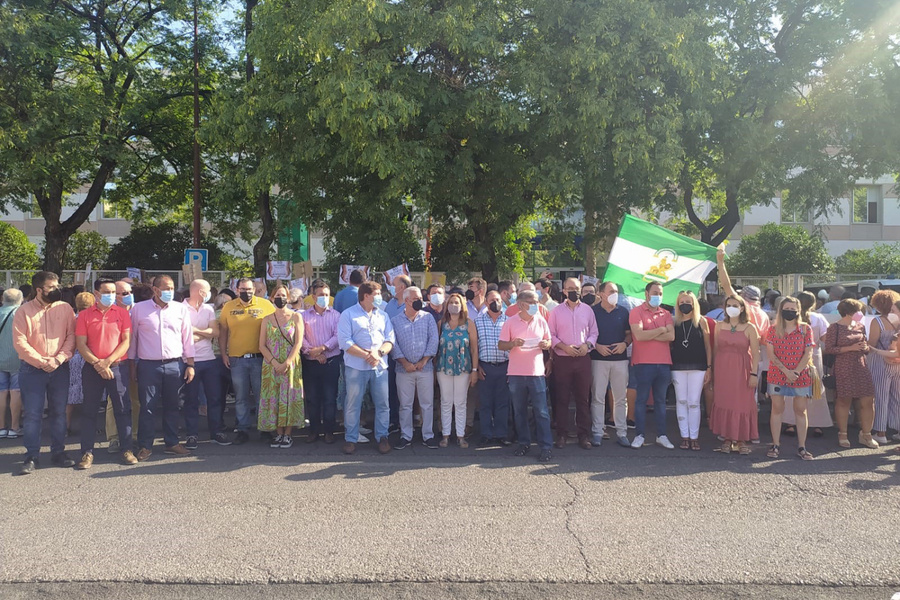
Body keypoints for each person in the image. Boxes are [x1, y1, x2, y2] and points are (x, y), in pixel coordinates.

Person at [14, 271, 77, 474]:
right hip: (32, 370)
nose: (56, 289)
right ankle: (32, 455)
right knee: (33, 414)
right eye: (51, 287)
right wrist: (42, 362)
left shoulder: (65, 308)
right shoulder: (23, 311)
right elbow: (20, 343)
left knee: (59, 412)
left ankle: (58, 452)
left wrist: (57, 360)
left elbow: (71, 337)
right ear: (39, 289)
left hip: (59, 368)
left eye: (57, 285)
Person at [130, 275, 195, 461]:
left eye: (172, 288)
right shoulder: (139, 309)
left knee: (173, 406)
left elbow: (187, 338)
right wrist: (132, 365)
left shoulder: (180, 308)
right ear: (155, 289)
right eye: (166, 288)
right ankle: (145, 446)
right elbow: (133, 339)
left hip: (175, 364)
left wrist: (190, 364)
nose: (169, 292)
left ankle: (172, 442)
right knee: (147, 407)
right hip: (148, 365)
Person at [74, 279, 136, 469]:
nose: (112, 295)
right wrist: (98, 365)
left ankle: (127, 449)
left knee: (123, 409)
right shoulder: (84, 315)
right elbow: (81, 344)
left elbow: (125, 342)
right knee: (89, 411)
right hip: (92, 368)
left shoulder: (122, 314)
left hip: (117, 366)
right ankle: (87, 452)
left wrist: (107, 362)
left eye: (114, 292)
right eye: (108, 292)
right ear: (97, 293)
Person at [338, 281, 395, 455]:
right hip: (356, 366)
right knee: (353, 403)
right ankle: (351, 438)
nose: (380, 297)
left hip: (379, 366)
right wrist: (366, 355)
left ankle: (382, 436)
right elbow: (345, 341)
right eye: (377, 294)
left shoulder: (383, 315)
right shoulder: (348, 315)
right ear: (366, 296)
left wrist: (378, 353)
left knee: (383, 403)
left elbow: (390, 339)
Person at [218, 277, 276, 445]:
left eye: (249, 289)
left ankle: (264, 429)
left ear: (255, 289)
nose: (246, 292)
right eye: (243, 289)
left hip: (260, 359)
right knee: (241, 397)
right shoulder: (229, 307)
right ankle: (242, 429)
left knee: (261, 396)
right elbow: (223, 332)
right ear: (237, 290)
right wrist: (223, 353)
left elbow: (276, 327)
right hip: (237, 359)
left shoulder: (265, 305)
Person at [500, 291, 553, 462]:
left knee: (542, 411)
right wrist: (513, 344)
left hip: (536, 372)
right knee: (519, 411)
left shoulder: (541, 320)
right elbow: (501, 345)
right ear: (522, 304)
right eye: (533, 302)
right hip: (516, 373)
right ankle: (524, 443)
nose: (536, 305)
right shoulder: (510, 322)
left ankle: (546, 446)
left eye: (537, 302)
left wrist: (546, 344)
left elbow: (549, 340)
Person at [548, 277, 598, 450]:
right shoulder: (556, 312)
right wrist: (563, 347)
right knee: (562, 398)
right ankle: (561, 435)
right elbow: (551, 335)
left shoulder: (588, 311)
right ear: (563, 291)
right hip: (563, 358)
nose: (573, 292)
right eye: (570, 288)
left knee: (583, 399)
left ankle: (583, 435)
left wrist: (587, 345)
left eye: (576, 288)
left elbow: (594, 332)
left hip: (583, 358)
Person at [823, 298, 878, 449]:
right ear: (848, 312)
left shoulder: (860, 326)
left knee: (868, 399)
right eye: (858, 310)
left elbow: (866, 346)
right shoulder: (835, 328)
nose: (861, 313)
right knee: (844, 400)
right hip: (843, 366)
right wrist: (850, 348)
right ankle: (843, 434)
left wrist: (864, 347)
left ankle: (866, 434)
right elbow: (829, 349)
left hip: (861, 365)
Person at [766, 296, 815, 460]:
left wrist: (796, 372)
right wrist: (786, 371)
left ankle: (802, 446)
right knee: (776, 409)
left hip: (800, 376)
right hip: (777, 375)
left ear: (798, 311)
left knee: (801, 411)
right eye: (787, 309)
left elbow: (808, 352)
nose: (790, 312)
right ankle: (775, 444)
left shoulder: (805, 329)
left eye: (794, 310)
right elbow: (771, 355)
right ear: (781, 310)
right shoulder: (773, 330)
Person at [390, 286, 439, 449]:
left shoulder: (428, 318)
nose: (420, 301)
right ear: (406, 301)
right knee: (405, 404)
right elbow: (393, 344)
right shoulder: (395, 321)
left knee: (427, 403)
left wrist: (424, 361)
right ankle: (406, 435)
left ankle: (428, 435)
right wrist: (405, 363)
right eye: (416, 299)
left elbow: (433, 340)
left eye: (421, 298)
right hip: (403, 370)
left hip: (425, 368)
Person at [628, 282, 675, 450]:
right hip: (642, 363)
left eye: (660, 293)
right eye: (655, 292)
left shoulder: (666, 313)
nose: (658, 296)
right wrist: (661, 329)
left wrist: (651, 333)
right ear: (646, 294)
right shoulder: (636, 312)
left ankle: (661, 435)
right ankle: (639, 435)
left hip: (663, 363)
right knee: (641, 400)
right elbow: (639, 336)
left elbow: (671, 336)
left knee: (661, 401)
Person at [711, 295, 760, 455]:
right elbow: (716, 348)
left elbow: (756, 352)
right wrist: (712, 370)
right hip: (722, 368)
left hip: (742, 369)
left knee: (742, 403)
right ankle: (726, 437)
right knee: (724, 400)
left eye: (735, 305)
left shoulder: (750, 328)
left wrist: (754, 373)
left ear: (742, 308)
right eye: (728, 305)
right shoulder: (719, 326)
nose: (731, 307)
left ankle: (741, 439)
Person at [183, 279, 229, 447]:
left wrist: (195, 331)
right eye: (208, 290)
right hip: (189, 361)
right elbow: (183, 334)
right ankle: (192, 435)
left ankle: (216, 431)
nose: (210, 293)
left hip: (209, 360)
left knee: (215, 398)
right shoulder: (180, 309)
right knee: (191, 400)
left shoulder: (208, 308)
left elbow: (215, 332)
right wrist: (205, 333)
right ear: (201, 292)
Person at [258, 285, 305, 449]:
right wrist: (275, 363)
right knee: (274, 397)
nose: (281, 298)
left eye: (283, 295)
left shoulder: (296, 317)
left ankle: (288, 434)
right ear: (271, 298)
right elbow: (261, 345)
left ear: (289, 298)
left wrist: (286, 362)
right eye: (277, 295)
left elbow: (298, 342)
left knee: (289, 396)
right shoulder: (266, 319)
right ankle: (278, 433)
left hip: (290, 364)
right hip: (271, 365)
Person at [783, 291, 833, 437]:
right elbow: (825, 339)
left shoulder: (791, 318)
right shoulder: (818, 318)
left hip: (791, 356)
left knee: (791, 388)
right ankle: (817, 423)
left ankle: (790, 422)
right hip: (813, 356)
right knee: (815, 389)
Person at [590, 282, 631, 448]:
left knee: (621, 398)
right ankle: (597, 432)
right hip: (598, 359)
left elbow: (629, 334)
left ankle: (622, 432)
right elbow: (587, 334)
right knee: (598, 397)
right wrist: (597, 346)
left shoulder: (623, 311)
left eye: (616, 291)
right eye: (611, 291)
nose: (615, 294)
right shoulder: (592, 312)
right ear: (601, 293)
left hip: (620, 360)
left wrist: (625, 344)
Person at [436, 293, 478, 448]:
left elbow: (474, 349)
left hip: (463, 367)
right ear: (447, 306)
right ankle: (446, 435)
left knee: (460, 402)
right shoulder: (442, 323)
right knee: (446, 401)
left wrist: (474, 369)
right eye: (451, 302)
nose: (454, 305)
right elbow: (437, 348)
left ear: (462, 306)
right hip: (443, 367)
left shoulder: (469, 324)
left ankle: (460, 435)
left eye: (457, 302)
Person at [301, 279, 341, 444]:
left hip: (330, 362)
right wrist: (313, 352)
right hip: (310, 362)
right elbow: (300, 337)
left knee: (330, 398)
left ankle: (329, 431)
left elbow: (338, 336)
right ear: (313, 296)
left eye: (327, 294)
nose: (324, 297)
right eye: (321, 295)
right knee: (312, 398)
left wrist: (323, 348)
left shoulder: (336, 315)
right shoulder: (303, 316)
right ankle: (314, 430)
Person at [670, 291, 711, 451]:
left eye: (688, 301)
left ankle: (694, 437)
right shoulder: (674, 322)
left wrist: (709, 367)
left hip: (698, 367)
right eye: (681, 302)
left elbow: (708, 346)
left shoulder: (701, 321)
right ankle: (684, 436)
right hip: (678, 366)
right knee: (681, 401)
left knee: (694, 402)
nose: (684, 304)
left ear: (694, 303)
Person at [105, 279, 140, 454]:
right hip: (116, 361)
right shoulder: (110, 313)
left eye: (128, 292)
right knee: (114, 401)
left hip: (137, 360)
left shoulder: (138, 311)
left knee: (135, 399)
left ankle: (133, 435)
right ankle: (114, 438)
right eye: (122, 293)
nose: (126, 296)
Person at [474, 290, 511, 445]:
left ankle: (501, 434)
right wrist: (477, 367)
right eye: (491, 300)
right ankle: (486, 434)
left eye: (497, 299)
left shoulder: (509, 321)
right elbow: (474, 347)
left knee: (503, 403)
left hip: (505, 366)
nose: (495, 302)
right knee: (485, 403)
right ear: (486, 303)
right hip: (485, 367)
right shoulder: (478, 321)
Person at [867, 290, 900, 444]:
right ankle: (897, 429)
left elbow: (872, 344)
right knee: (897, 397)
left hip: (880, 361)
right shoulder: (898, 321)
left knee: (881, 397)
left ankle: (880, 432)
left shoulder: (877, 321)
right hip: (897, 361)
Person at [66, 292, 94, 433]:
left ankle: (66, 427)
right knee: (89, 395)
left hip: (72, 358)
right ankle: (88, 428)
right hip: (88, 357)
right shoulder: (92, 319)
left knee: (70, 395)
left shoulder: (71, 319)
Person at [0, 288, 24, 440]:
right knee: (16, 391)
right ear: (20, 300)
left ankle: (1, 427)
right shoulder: (21, 314)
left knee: (1, 392)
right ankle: (14, 427)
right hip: (18, 358)